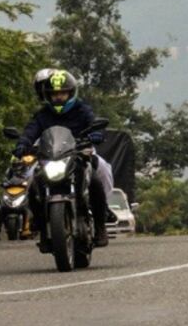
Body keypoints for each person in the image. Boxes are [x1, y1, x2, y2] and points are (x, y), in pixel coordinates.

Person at [13, 69, 114, 249]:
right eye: (54, 94)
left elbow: (93, 123)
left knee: (101, 173)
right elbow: (30, 131)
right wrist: (22, 144)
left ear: (71, 93)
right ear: (48, 96)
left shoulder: (82, 110)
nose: (58, 97)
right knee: (32, 183)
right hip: (49, 157)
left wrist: (96, 133)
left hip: (79, 153)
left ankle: (101, 223)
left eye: (62, 93)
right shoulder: (43, 114)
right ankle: (41, 225)